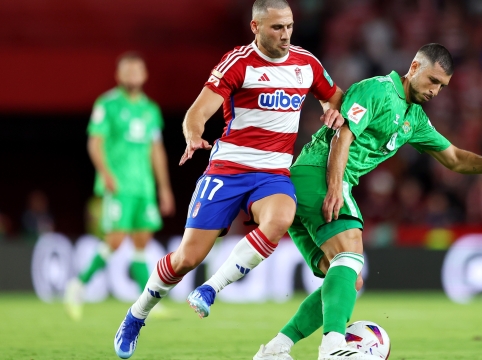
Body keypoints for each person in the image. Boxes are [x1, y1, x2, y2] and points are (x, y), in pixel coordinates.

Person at [113, 0, 345, 358]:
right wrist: (193, 135)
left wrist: (333, 112)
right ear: (255, 27)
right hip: (228, 170)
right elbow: (197, 113)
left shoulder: (306, 63)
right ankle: (137, 313)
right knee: (186, 259)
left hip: (273, 172)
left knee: (281, 217)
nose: (285, 35)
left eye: (289, 26)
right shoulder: (238, 62)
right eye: (276, 28)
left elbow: (336, 99)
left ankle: (210, 289)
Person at [253, 44, 482, 360]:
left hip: (308, 185)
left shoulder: (414, 119)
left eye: (442, 87)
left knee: (348, 277)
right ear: (414, 67)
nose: (435, 91)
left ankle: (276, 349)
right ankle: (333, 346)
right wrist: (335, 187)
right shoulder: (376, 90)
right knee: (350, 255)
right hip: (318, 174)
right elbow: (343, 135)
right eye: (432, 80)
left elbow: (455, 158)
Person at [64, 52, 175, 321]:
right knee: (115, 240)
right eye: (128, 71)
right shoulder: (108, 104)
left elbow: (156, 150)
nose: (133, 75)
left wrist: (164, 188)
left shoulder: (151, 110)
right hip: (118, 185)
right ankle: (77, 286)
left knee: (142, 242)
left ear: (145, 75)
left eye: (137, 70)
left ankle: (147, 302)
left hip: (144, 187)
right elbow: (95, 142)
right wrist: (106, 174)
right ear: (119, 76)